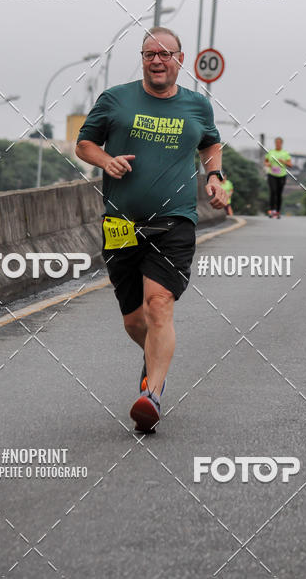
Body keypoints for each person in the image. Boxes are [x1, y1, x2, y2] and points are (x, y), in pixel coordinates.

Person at [75, 27, 227, 433]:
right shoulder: (116, 99)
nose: (156, 61)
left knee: (159, 304)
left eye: (165, 54)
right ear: (141, 59)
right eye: (148, 54)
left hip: (175, 220)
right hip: (121, 223)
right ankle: (156, 361)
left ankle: (152, 395)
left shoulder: (197, 106)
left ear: (180, 58)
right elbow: (84, 144)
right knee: (133, 321)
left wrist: (215, 176)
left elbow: (211, 143)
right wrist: (105, 161)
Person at [264, 137, 292, 218]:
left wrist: (283, 161)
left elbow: (290, 164)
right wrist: (267, 164)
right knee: (273, 191)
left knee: (279, 193)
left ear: (281, 143)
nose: (278, 144)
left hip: (282, 175)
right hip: (271, 175)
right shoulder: (271, 152)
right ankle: (272, 211)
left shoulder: (285, 153)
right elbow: (266, 161)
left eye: (279, 143)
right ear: (275, 143)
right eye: (276, 142)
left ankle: (278, 211)